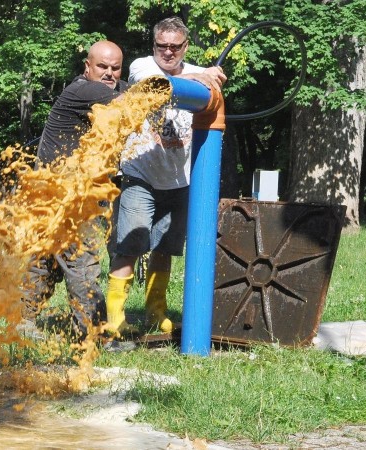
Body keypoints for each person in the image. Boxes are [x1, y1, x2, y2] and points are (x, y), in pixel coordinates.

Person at [104, 17, 226, 337]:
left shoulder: (197, 72)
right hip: (140, 174)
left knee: (165, 249)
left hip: (180, 180)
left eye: (175, 46)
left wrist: (206, 78)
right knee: (130, 244)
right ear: (153, 45)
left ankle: (156, 312)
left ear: (185, 46)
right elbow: (158, 86)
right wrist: (203, 76)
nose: (168, 52)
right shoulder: (142, 67)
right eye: (162, 46)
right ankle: (114, 316)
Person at [20, 40, 129, 340]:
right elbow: (132, 101)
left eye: (115, 68)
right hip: (62, 193)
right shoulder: (85, 90)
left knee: (45, 259)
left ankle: (23, 321)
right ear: (87, 67)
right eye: (102, 67)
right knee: (81, 260)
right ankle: (93, 337)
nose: (109, 73)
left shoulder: (110, 90)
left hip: (52, 192)